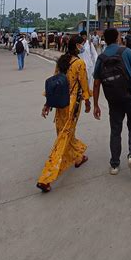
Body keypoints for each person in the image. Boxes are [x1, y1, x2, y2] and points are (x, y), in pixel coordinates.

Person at [92, 27, 131, 177]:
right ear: (118, 37)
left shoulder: (101, 58)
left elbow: (96, 83)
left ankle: (114, 165)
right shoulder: (126, 52)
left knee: (115, 131)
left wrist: (96, 105)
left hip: (114, 101)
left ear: (104, 39)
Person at [37, 36, 91, 193]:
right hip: (72, 104)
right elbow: (84, 84)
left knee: (65, 132)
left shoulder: (61, 61)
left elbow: (54, 83)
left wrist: (48, 103)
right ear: (77, 46)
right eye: (82, 44)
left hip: (60, 102)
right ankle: (46, 178)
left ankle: (78, 157)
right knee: (64, 137)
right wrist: (88, 102)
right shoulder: (79, 64)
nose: (83, 46)